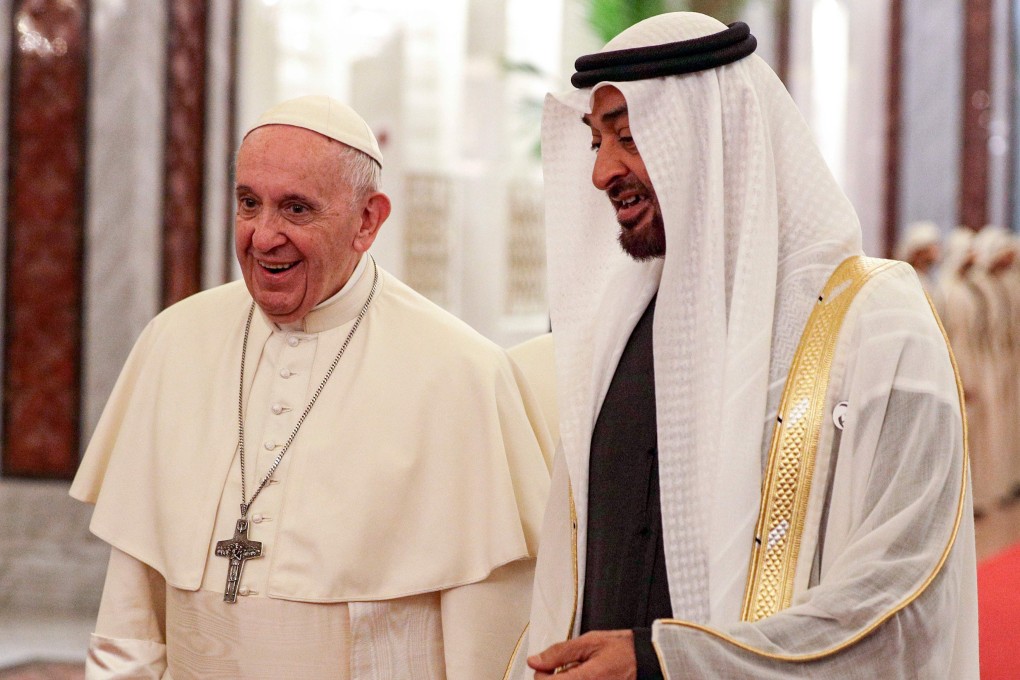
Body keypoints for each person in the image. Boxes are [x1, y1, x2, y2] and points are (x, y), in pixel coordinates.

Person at [511, 12, 978, 679]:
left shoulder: (875, 325)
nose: (602, 172)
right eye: (595, 142)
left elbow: (901, 600)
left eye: (630, 136)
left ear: (714, 138)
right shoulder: (618, 330)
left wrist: (668, 661)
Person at [71, 95, 551, 678]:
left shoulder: (461, 372)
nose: (263, 235)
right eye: (249, 203)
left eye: (296, 210)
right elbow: (130, 615)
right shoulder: (174, 342)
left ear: (367, 221)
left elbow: (486, 647)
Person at [894, 220, 942, 295]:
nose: (937, 250)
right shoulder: (911, 281)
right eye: (932, 247)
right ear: (919, 253)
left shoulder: (926, 279)